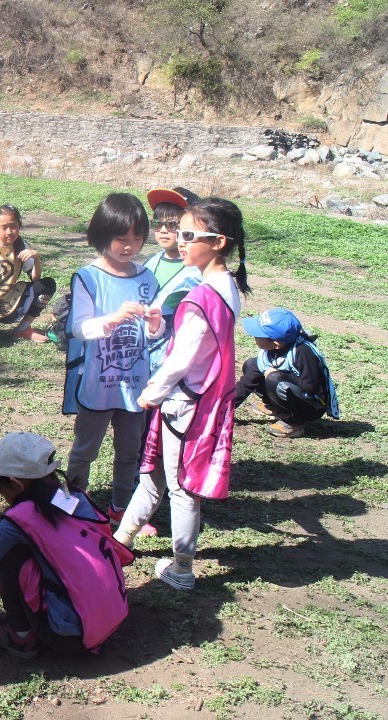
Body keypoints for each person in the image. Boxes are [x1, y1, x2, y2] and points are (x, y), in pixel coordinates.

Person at [116, 197, 250, 591]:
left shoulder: (200, 297)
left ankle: (182, 568)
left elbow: (183, 359)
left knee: (180, 487)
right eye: (180, 233)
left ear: (219, 241)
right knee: (155, 475)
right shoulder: (226, 287)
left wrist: (151, 393)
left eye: (189, 234)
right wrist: (161, 326)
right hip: (204, 400)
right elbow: (198, 344)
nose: (181, 241)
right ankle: (122, 539)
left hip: (183, 403)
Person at [0, 432, 133, 659]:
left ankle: (21, 635)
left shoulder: (18, 520)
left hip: (68, 637)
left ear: (15, 484)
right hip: (112, 615)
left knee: (9, 552)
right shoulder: (71, 497)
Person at [62, 193, 163, 523]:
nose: (130, 246)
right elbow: (79, 329)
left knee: (130, 451)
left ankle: (121, 507)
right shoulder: (88, 277)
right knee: (85, 448)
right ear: (102, 235)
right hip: (98, 384)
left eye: (137, 238)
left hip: (135, 386)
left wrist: (154, 325)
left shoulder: (147, 277)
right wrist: (112, 319)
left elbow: (155, 336)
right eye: (121, 238)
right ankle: (75, 501)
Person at [235, 308, 339, 438]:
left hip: (311, 406)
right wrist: (225, 407)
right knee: (252, 365)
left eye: (258, 336)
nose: (254, 337)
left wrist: (278, 374)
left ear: (276, 343)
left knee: (274, 378)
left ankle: (293, 423)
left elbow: (312, 386)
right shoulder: (270, 351)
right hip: (289, 390)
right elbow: (247, 382)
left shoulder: (303, 352)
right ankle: (275, 407)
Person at [0, 205, 56, 348]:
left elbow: (35, 279)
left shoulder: (21, 246)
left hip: (9, 297)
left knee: (47, 285)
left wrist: (36, 259)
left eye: (13, 226)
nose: (9, 232)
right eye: (4, 227)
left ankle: (22, 329)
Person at [144, 188, 202, 371]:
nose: (163, 231)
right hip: (142, 353)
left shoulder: (198, 272)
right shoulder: (149, 263)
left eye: (172, 225)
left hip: (173, 360)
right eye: (157, 224)